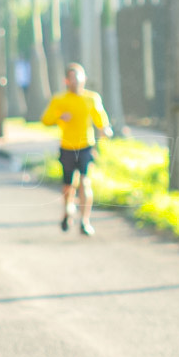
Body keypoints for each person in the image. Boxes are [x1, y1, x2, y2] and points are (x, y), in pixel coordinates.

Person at [41, 63, 112, 235]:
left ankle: (85, 221)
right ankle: (67, 210)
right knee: (68, 185)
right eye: (72, 78)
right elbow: (46, 120)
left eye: (78, 77)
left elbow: (100, 118)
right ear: (67, 80)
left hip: (86, 145)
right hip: (67, 146)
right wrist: (60, 117)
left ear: (84, 79)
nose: (76, 81)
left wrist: (105, 129)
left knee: (85, 182)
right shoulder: (60, 99)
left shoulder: (92, 98)